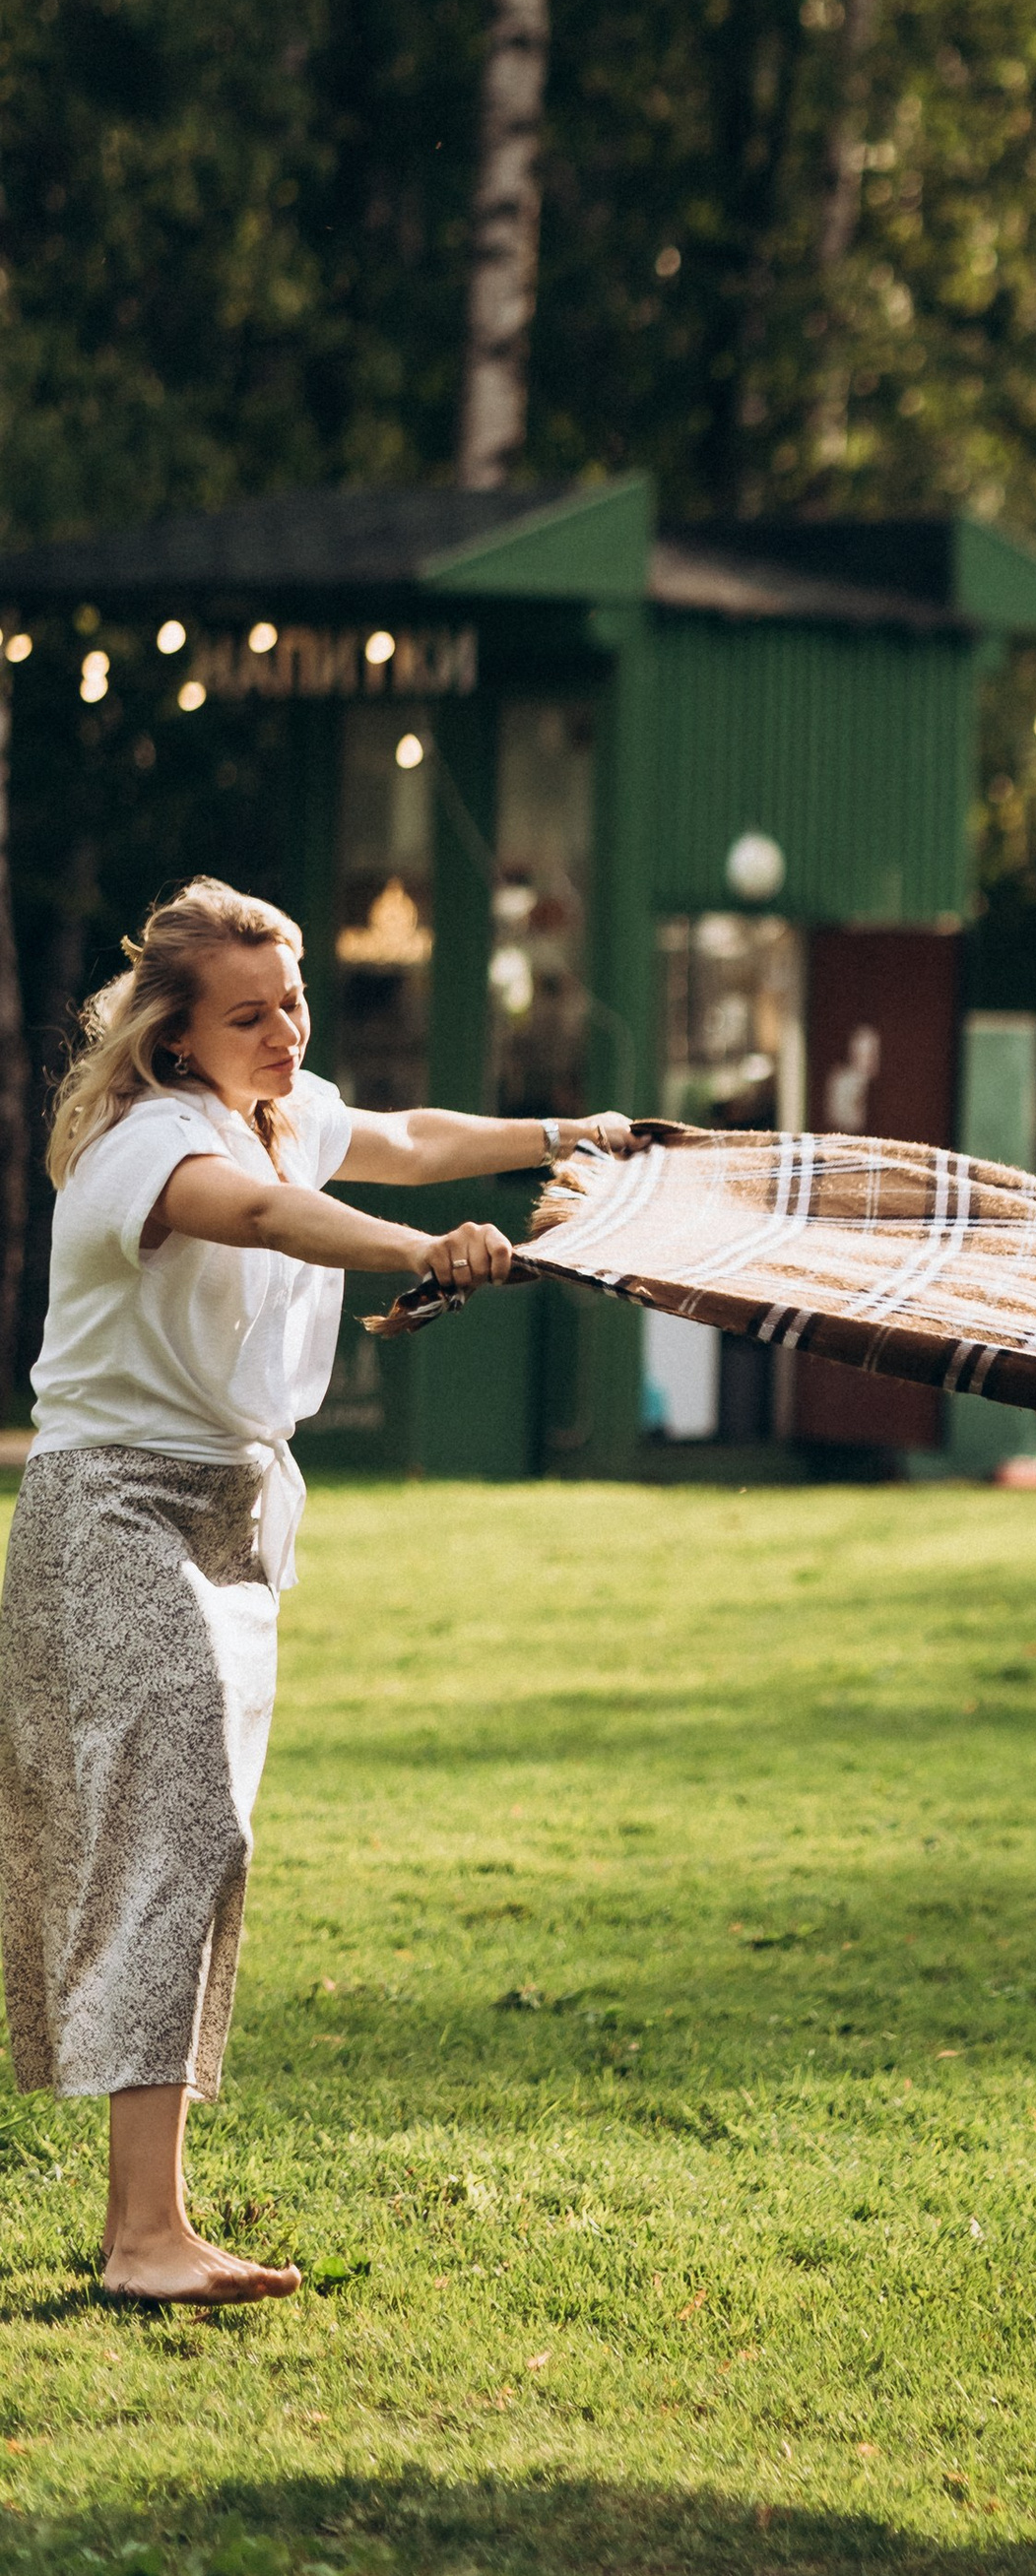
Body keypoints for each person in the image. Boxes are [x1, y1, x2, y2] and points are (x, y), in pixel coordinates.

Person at [0, 876, 634, 2305]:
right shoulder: (151, 1145)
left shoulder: (276, 1110)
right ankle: (143, 2238)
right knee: (175, 1829)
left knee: (197, 1841)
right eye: (250, 1016)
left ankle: (149, 2224)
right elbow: (270, 1220)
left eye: (292, 1001)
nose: (286, 1031)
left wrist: (565, 1135)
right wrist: (423, 1250)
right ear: (175, 1035)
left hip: (230, 1516)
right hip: (115, 1516)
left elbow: (404, 1137)